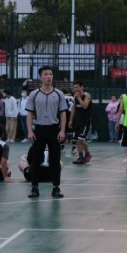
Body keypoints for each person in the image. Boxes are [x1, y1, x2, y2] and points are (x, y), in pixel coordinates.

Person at [26, 65, 68, 199]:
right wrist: (30, 131)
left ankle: (56, 187)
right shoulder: (34, 94)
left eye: (50, 74)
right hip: (39, 129)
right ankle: (34, 188)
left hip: (54, 129)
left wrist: (62, 130)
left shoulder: (59, 94)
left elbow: (63, 113)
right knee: (36, 160)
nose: (49, 76)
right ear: (40, 77)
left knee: (55, 160)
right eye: (45, 74)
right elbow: (29, 114)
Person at [69, 81, 93, 164]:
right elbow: (74, 109)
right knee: (77, 140)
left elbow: (85, 106)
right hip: (77, 121)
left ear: (82, 87)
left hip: (85, 122)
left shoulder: (87, 95)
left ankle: (87, 154)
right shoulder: (75, 97)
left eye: (77, 87)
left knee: (81, 139)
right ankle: (81, 158)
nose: (75, 89)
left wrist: (79, 98)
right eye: (74, 87)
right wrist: (71, 120)